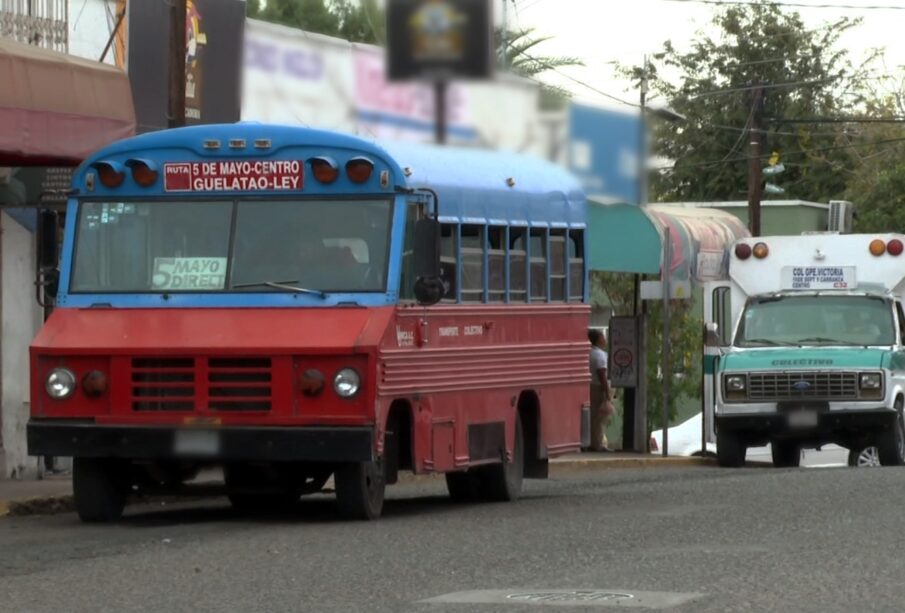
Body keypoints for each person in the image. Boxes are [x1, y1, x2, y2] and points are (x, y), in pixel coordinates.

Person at [588, 328, 615, 452]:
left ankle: (593, 442)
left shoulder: (590, 353)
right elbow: (601, 373)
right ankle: (597, 444)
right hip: (599, 388)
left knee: (594, 417)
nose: (605, 340)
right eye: (603, 337)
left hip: (591, 386)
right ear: (599, 340)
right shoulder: (599, 355)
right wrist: (607, 392)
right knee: (599, 419)